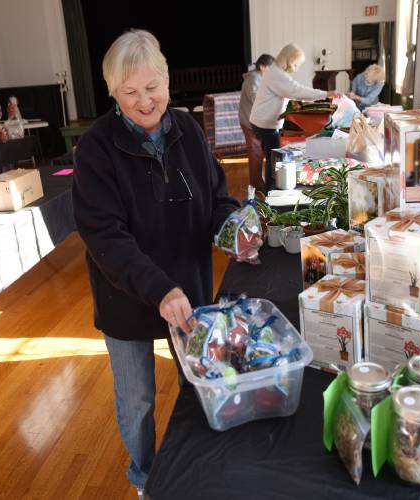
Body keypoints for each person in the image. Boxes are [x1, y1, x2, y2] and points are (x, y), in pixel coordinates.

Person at [72, 29, 240, 497]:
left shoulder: (185, 127)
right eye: (130, 92)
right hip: (127, 296)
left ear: (167, 81)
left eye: (152, 87)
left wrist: (232, 229)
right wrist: (159, 289)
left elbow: (217, 198)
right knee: (137, 400)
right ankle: (146, 476)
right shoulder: (96, 149)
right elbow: (106, 237)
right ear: (113, 93)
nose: (145, 101)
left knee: (199, 382)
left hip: (187, 290)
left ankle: (201, 468)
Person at [249, 43, 341, 189]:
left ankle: (270, 190)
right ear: (289, 60)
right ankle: (271, 193)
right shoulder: (276, 74)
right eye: (296, 63)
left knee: (272, 157)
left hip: (264, 121)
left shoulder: (277, 71)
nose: (297, 67)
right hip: (265, 123)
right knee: (274, 159)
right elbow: (296, 91)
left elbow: (293, 90)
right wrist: (326, 94)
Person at [239, 53, 275, 192]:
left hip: (255, 121)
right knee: (256, 153)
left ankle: (259, 183)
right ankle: (256, 185)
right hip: (250, 122)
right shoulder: (253, 78)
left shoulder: (260, 78)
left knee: (258, 152)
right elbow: (256, 100)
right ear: (262, 67)